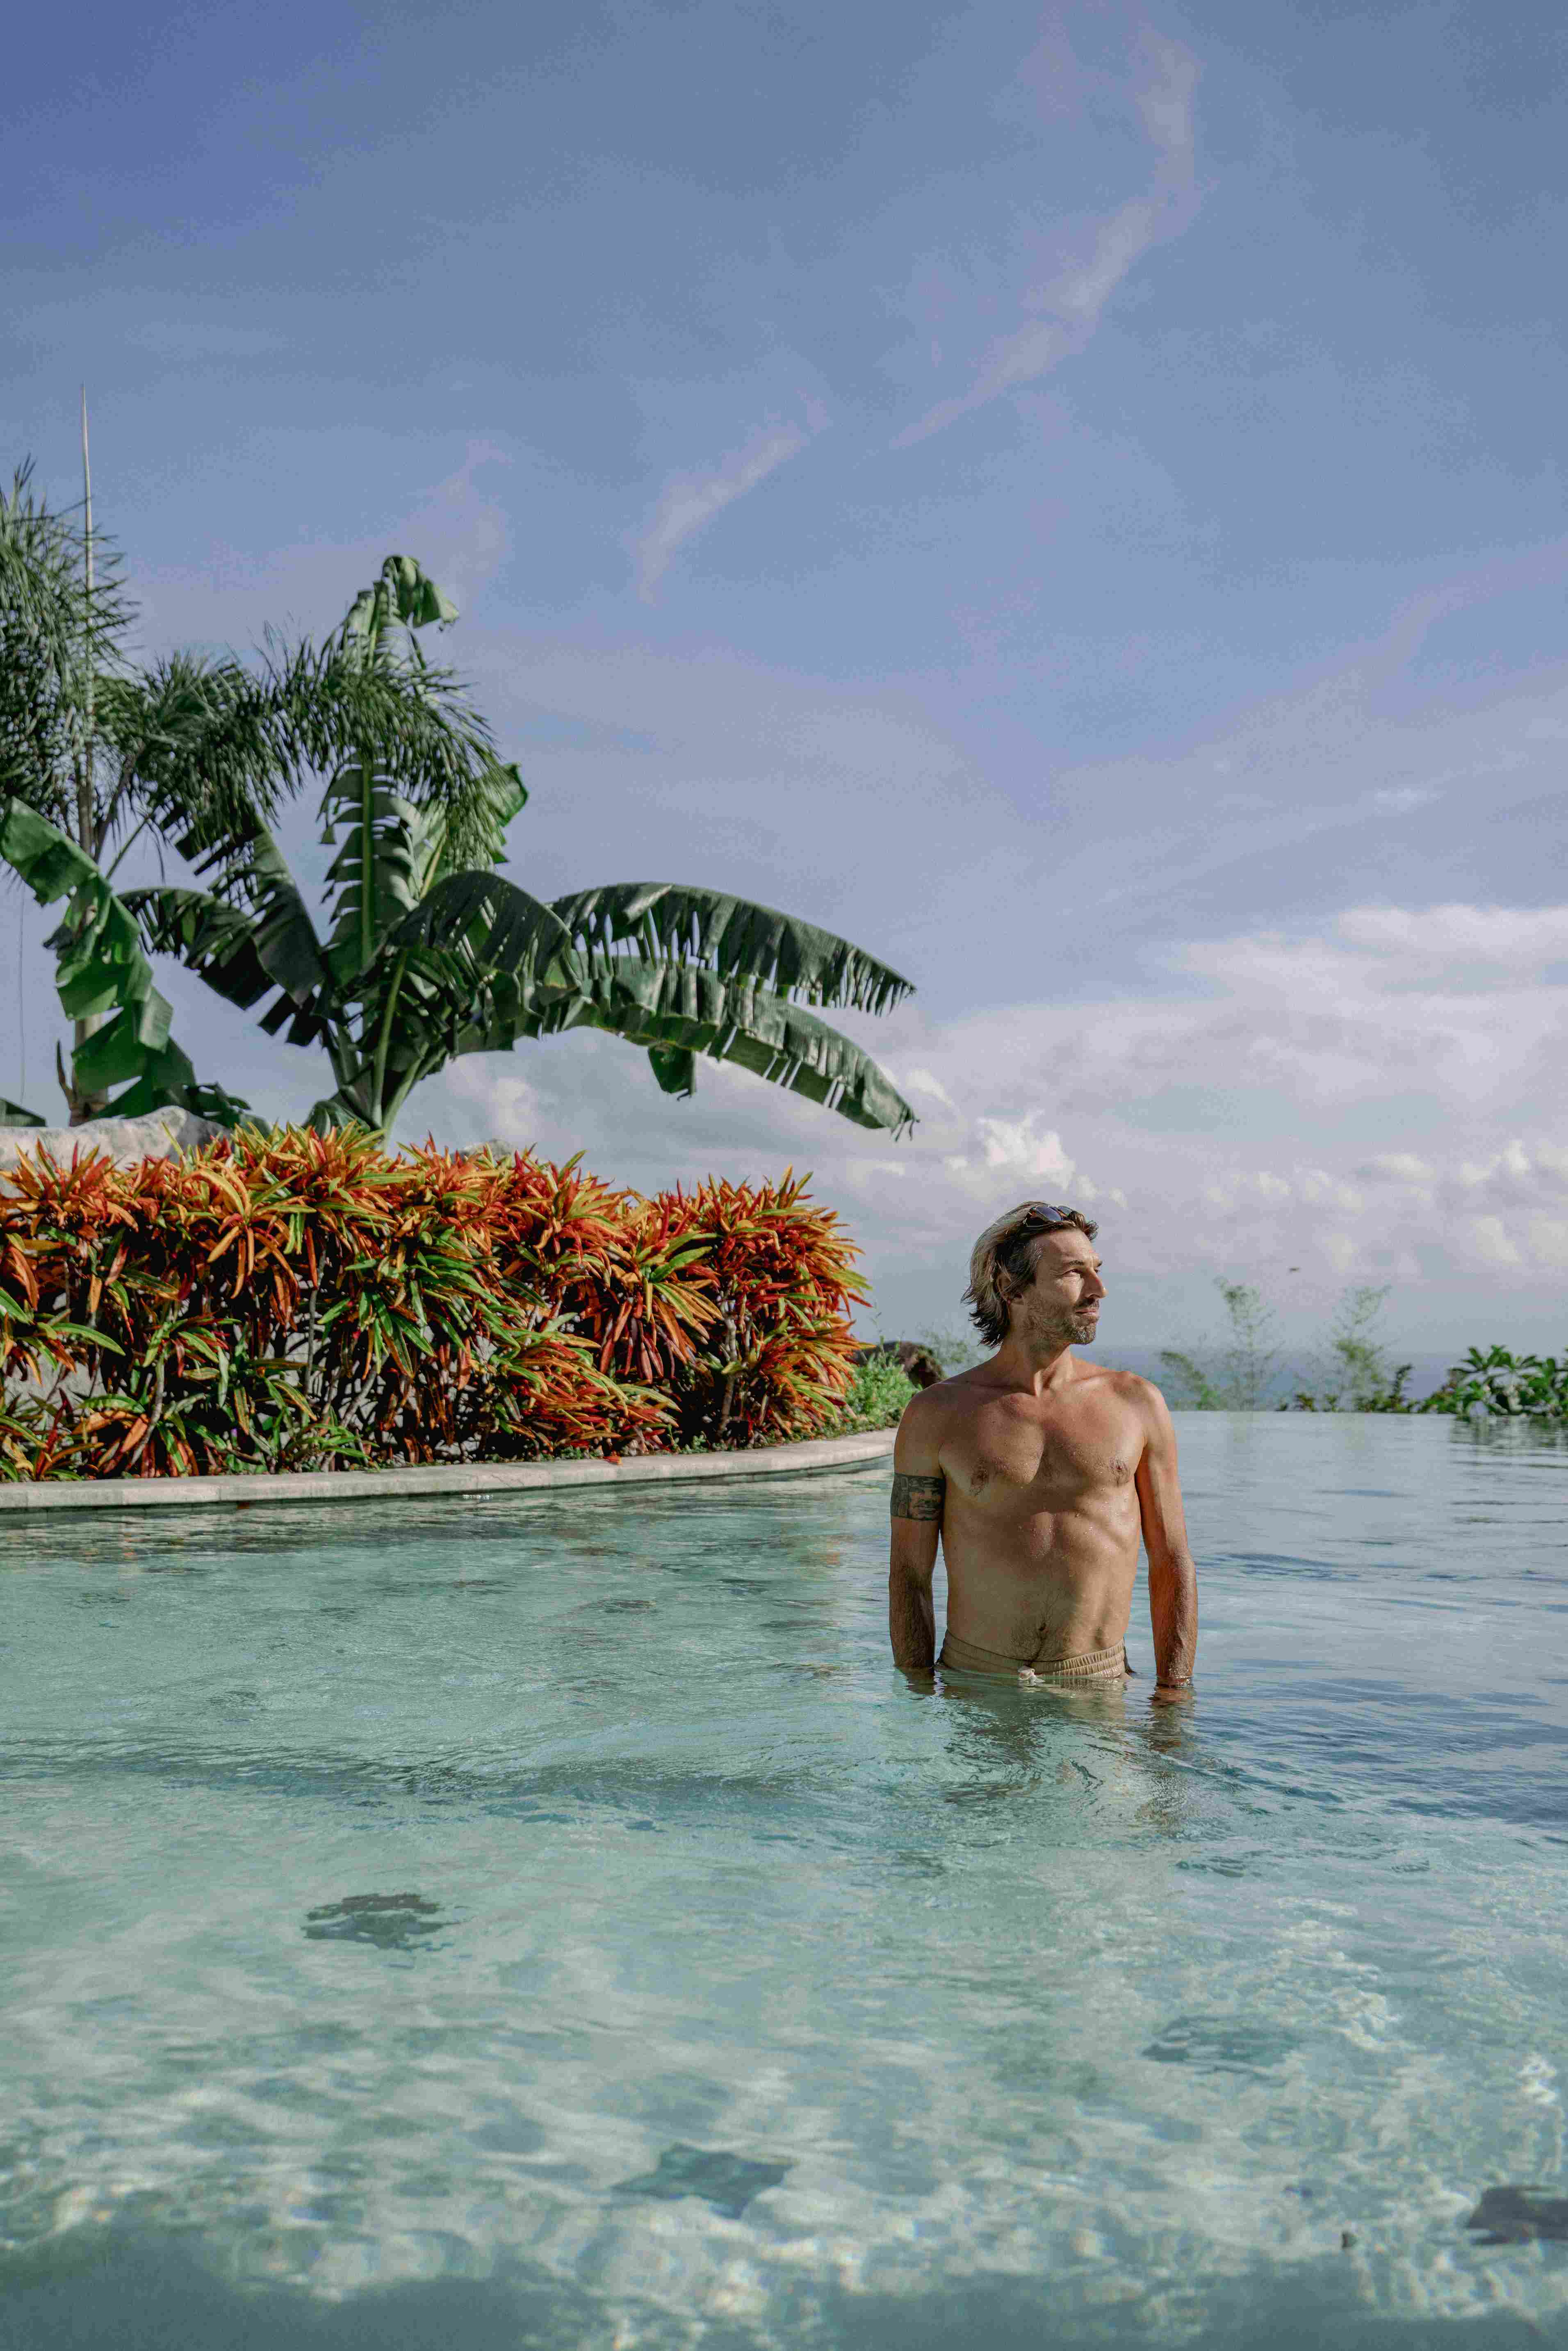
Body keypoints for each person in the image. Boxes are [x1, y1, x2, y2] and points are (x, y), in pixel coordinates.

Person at [888, 1201, 1197, 1695]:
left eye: (1096, 1271)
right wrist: (915, 1698)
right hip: (975, 1680)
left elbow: (1171, 1560)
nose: (1099, 1289)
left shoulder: (1136, 1404)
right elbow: (908, 1572)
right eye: (1074, 1274)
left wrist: (1174, 1693)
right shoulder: (936, 1415)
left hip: (1096, 1682)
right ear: (1011, 1288)